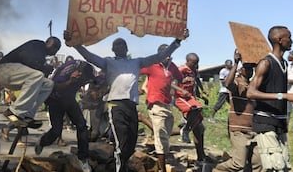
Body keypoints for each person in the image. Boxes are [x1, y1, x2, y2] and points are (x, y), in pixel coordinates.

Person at [65, 29, 189, 172]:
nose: (120, 48)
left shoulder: (136, 62)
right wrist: (75, 44)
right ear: (113, 50)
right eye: (117, 46)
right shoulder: (108, 62)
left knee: (130, 143)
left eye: (122, 45)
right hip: (116, 105)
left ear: (126, 49)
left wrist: (177, 41)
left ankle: (116, 164)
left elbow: (160, 56)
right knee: (121, 142)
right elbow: (90, 56)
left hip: (131, 106)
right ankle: (120, 168)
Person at [247, 25, 293, 171]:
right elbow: (250, 93)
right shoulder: (265, 63)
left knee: (285, 166)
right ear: (279, 40)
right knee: (276, 167)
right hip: (265, 121)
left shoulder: (285, 64)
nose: (292, 41)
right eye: (289, 37)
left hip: (280, 122)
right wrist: (284, 96)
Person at [35, 59, 96, 172]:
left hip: (69, 99)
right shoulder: (66, 70)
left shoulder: (87, 72)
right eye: (82, 79)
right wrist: (70, 81)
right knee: (56, 130)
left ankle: (82, 158)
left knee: (82, 125)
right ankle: (43, 141)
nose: (83, 81)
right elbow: (56, 87)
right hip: (55, 99)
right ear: (78, 72)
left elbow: (96, 81)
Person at [0, 36, 61, 131]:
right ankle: (13, 111)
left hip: (13, 76)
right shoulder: (37, 45)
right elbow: (28, 60)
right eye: (56, 49)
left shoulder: (41, 54)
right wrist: (44, 68)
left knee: (48, 84)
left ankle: (27, 115)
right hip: (4, 70)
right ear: (51, 44)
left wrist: (44, 68)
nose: (55, 53)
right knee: (37, 75)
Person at [213, 50, 262, 172]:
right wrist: (235, 63)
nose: (250, 71)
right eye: (247, 68)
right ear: (240, 69)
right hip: (239, 130)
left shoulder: (252, 85)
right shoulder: (237, 83)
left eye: (252, 68)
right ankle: (214, 169)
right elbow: (227, 84)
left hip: (252, 130)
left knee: (258, 163)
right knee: (238, 163)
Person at [139, 44, 183, 172]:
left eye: (170, 56)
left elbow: (179, 78)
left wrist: (174, 85)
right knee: (161, 138)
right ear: (160, 55)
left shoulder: (172, 66)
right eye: (166, 55)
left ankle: (161, 159)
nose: (168, 58)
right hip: (155, 103)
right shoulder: (152, 65)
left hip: (167, 104)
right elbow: (136, 70)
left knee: (165, 134)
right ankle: (162, 169)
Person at [174, 52, 208, 164]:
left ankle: (201, 156)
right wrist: (182, 91)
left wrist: (201, 94)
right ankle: (186, 129)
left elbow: (196, 83)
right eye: (194, 63)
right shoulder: (181, 70)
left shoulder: (194, 71)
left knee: (199, 130)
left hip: (190, 98)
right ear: (188, 61)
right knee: (196, 108)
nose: (196, 65)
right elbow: (171, 83)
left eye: (197, 63)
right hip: (181, 98)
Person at [286, 50, 293, 132]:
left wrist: (290, 81)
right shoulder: (289, 66)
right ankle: (286, 128)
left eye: (290, 55)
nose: (288, 56)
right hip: (288, 92)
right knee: (288, 112)